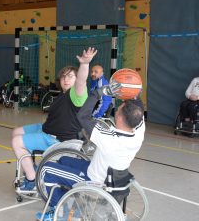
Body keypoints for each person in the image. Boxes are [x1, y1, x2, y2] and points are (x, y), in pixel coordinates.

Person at [35, 85, 145, 220]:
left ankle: (62, 211)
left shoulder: (108, 138)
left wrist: (98, 93)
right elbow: (139, 108)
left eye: (119, 108)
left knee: (45, 169)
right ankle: (71, 198)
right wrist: (135, 93)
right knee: (64, 159)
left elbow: (82, 116)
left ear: (120, 117)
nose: (117, 109)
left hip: (93, 181)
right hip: (109, 177)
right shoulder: (138, 134)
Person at [12, 47, 97, 191]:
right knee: (15, 132)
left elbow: (82, 81)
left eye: (70, 76)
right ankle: (31, 167)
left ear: (76, 80)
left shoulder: (77, 96)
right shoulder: (62, 94)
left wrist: (84, 64)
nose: (66, 79)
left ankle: (32, 179)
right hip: (46, 128)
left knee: (16, 142)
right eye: (64, 76)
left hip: (56, 139)